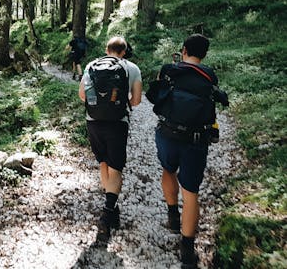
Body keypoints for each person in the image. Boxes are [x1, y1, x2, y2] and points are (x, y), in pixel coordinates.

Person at [153, 34, 224, 268]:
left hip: (168, 133)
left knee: (168, 170)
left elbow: (155, 96)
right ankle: (187, 249)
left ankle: (173, 214)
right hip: (196, 138)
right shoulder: (209, 75)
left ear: (183, 50)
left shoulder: (169, 69)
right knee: (191, 191)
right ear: (204, 55)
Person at [78, 36, 142, 236]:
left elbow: (82, 95)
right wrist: (121, 104)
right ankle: (107, 214)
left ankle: (111, 207)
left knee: (103, 163)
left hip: (93, 121)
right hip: (117, 124)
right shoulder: (132, 68)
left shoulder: (91, 65)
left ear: (107, 50)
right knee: (116, 168)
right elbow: (137, 100)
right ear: (124, 51)